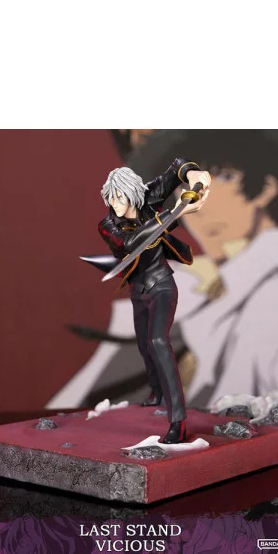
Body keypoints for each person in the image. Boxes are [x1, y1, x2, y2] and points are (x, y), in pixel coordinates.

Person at [47, 131, 278, 424]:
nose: (201, 203)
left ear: (266, 188)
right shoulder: (183, 291)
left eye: (224, 177)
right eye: (186, 188)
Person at [92, 158, 211, 443]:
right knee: (145, 346)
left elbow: (176, 169)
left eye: (120, 196)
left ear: (133, 193)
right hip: (138, 289)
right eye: (111, 197)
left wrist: (194, 174)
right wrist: (172, 213)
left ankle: (178, 421)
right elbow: (132, 243)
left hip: (162, 285)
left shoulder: (148, 197)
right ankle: (156, 390)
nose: (115, 203)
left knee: (158, 342)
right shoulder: (107, 225)